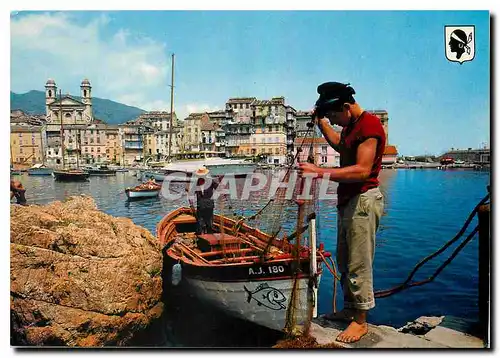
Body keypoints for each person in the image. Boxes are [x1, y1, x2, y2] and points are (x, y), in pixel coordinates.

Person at [297, 82, 386, 343]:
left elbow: (362, 170)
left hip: (363, 201)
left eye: (334, 116)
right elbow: (340, 145)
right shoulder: (351, 126)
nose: (334, 122)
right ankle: (350, 308)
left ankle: (360, 322)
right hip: (348, 201)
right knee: (345, 259)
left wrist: (319, 172)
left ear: (346, 107)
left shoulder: (370, 126)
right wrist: (323, 123)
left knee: (359, 261)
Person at [187, 167, 219, 235]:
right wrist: (191, 205)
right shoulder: (195, 183)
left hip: (209, 205)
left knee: (209, 223)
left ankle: (209, 236)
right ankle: (201, 236)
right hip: (200, 205)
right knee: (200, 224)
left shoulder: (211, 181)